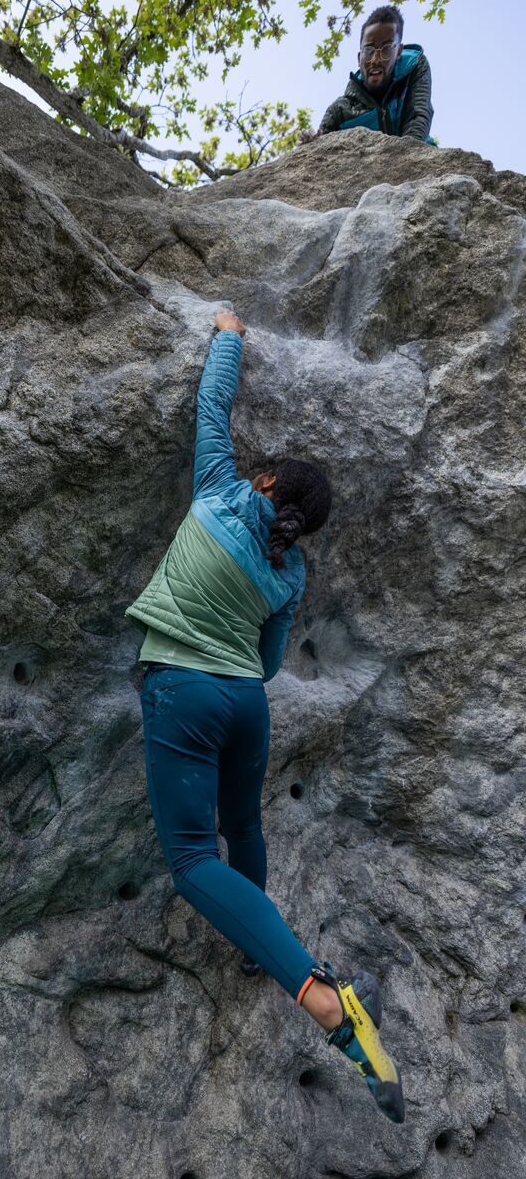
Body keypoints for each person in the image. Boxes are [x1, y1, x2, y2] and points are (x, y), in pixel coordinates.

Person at [125, 308, 405, 1123]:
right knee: (242, 826)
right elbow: (273, 663)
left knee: (187, 857)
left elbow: (211, 411)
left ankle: (325, 999)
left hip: (182, 687)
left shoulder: (218, 487)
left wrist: (228, 333)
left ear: (266, 482)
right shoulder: (290, 578)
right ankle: (264, 950)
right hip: (247, 702)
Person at [303, 5, 433, 142]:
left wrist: (409, 157)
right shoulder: (339, 112)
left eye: (386, 49)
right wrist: (312, 144)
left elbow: (417, 116)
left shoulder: (413, 67)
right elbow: (322, 148)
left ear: (399, 51)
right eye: (369, 50)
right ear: (359, 58)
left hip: (418, 157)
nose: (376, 60)